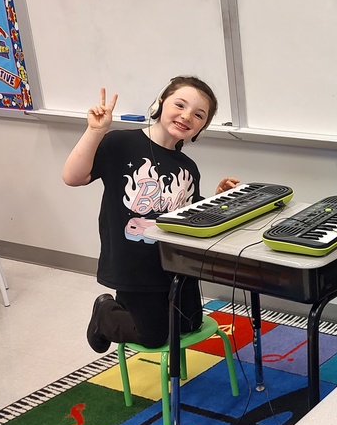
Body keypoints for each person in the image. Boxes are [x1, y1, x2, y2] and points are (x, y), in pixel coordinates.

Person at [62, 76, 239, 352]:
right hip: (133, 266)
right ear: (160, 103)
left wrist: (217, 199)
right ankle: (104, 313)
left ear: (201, 127)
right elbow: (73, 177)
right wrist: (95, 132)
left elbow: (184, 212)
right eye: (179, 104)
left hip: (174, 265)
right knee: (153, 336)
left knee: (189, 324)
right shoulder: (120, 143)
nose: (186, 116)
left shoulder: (188, 166)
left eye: (198, 115)